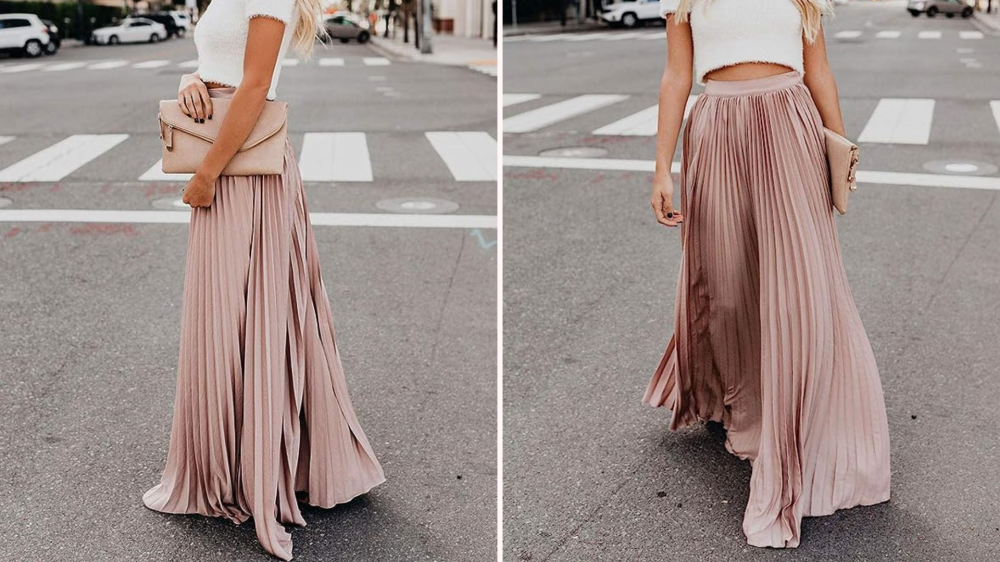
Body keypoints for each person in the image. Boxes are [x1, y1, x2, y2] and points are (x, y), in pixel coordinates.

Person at [141, 0, 385, 558]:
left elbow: (255, 86)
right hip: (225, 153)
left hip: (242, 165)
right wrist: (190, 81)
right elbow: (220, 66)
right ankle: (232, 454)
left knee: (255, 306)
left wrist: (205, 175)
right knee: (225, 308)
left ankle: (267, 459)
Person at [643, 0, 891, 549]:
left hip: (790, 127)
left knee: (802, 290)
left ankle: (807, 428)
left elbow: (817, 67)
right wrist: (661, 167)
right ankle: (745, 405)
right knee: (727, 288)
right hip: (717, 130)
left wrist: (840, 150)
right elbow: (677, 73)